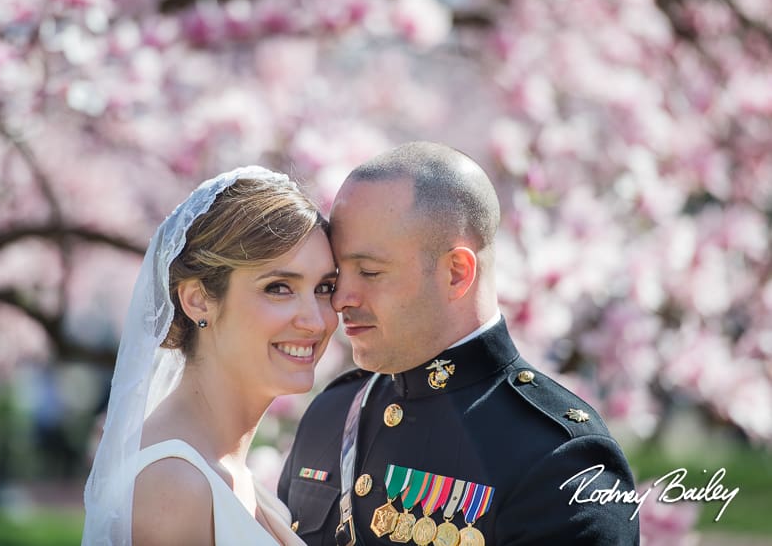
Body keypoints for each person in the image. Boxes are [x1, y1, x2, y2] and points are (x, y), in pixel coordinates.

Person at [278, 143, 640, 545]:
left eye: (369, 271)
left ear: (455, 273)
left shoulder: (559, 458)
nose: (341, 297)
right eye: (338, 273)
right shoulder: (331, 411)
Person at [83, 166, 338, 545]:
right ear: (197, 300)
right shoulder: (174, 490)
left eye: (324, 287)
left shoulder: (224, 470)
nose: (315, 320)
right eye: (279, 287)